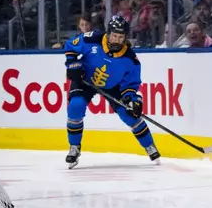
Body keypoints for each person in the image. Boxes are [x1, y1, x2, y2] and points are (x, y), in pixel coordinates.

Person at [63, 15, 160, 169]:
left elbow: (131, 85)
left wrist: (133, 100)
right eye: (114, 35)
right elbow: (70, 46)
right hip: (85, 79)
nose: (116, 40)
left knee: (129, 115)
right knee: (76, 106)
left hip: (113, 87)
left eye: (120, 37)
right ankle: (74, 148)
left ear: (125, 38)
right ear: (108, 33)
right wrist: (73, 64)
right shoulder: (92, 39)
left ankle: (150, 146)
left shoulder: (130, 59)